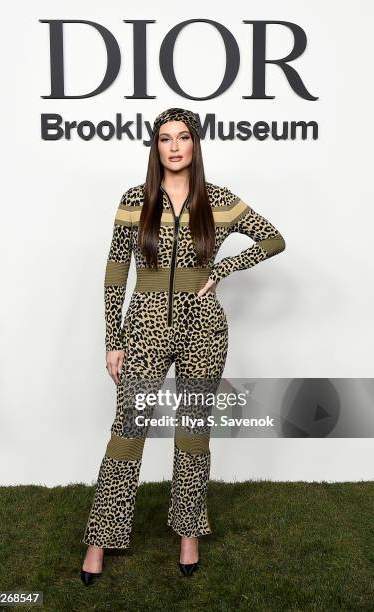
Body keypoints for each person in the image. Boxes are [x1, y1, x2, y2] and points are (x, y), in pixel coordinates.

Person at [80, 107, 286, 585]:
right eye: (164, 139)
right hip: (146, 323)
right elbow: (116, 271)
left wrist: (225, 269)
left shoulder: (218, 199)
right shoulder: (136, 199)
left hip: (203, 327)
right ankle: (101, 536)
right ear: (155, 148)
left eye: (183, 137)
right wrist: (114, 338)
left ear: (196, 144)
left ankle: (188, 533)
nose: (173, 146)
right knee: (129, 429)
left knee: (193, 429)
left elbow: (273, 239)